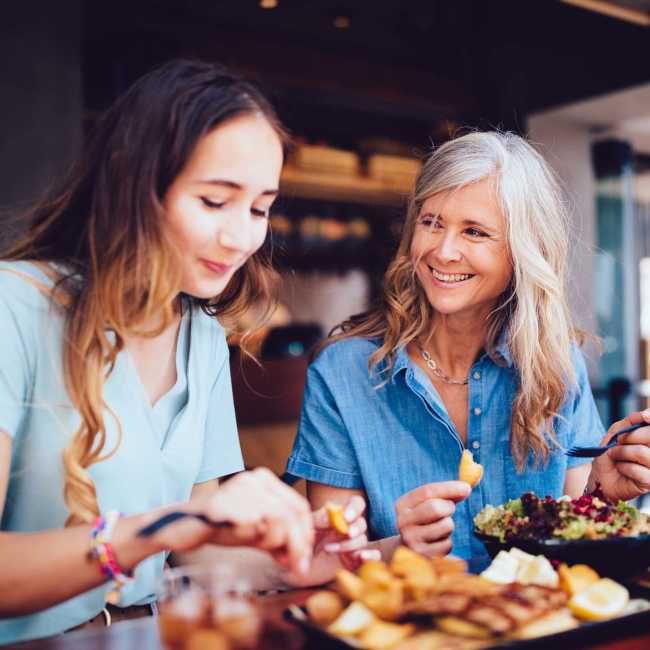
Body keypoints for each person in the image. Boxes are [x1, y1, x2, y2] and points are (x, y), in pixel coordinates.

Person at [0, 60, 375, 643]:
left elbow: (193, 558)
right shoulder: (13, 308)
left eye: (258, 209)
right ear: (136, 186)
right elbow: (176, 530)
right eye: (214, 201)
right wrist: (165, 526)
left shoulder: (200, 334)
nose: (242, 238)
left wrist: (296, 560)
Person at [286, 131, 650, 567]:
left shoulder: (557, 364)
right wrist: (399, 548)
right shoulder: (342, 373)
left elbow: (573, 551)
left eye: (474, 232)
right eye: (431, 222)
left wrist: (601, 495)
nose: (443, 251)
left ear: (522, 251)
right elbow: (324, 561)